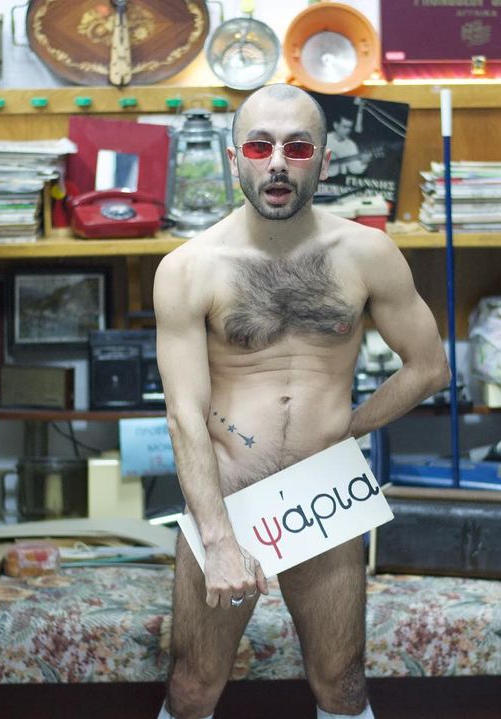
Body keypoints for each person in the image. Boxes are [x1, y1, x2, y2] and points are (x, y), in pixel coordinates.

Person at [153, 84, 449, 719]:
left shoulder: (367, 254)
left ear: (325, 160)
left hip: (324, 494)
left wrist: (347, 429)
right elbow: (183, 415)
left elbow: (429, 369)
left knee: (343, 684)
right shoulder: (188, 269)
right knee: (192, 686)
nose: (278, 163)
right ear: (235, 158)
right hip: (229, 497)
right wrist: (218, 539)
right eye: (260, 146)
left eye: (298, 147)